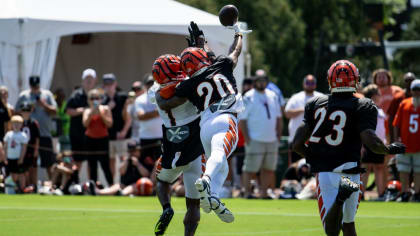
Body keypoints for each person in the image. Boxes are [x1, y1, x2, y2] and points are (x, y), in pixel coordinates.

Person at [292, 60, 405, 236]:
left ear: (330, 80)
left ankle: (339, 199)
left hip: (326, 171)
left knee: (332, 231)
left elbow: (297, 144)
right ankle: (342, 196)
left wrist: (314, 157)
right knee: (349, 223)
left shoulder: (315, 103)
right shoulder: (363, 104)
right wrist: (389, 149)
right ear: (356, 80)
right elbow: (371, 142)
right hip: (351, 170)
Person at [156, 21, 250, 223]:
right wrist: (238, 34)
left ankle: (213, 196)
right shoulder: (221, 65)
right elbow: (234, 52)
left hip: (205, 125)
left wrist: (159, 94)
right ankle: (207, 181)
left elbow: (168, 102)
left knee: (220, 161)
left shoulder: (188, 84)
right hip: (225, 117)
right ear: (204, 58)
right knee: (220, 153)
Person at [150, 53, 205, 236]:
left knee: (162, 181)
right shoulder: (191, 83)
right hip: (195, 147)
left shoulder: (155, 91)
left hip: (172, 144)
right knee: (193, 204)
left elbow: (162, 99)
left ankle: (166, 207)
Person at [239, 74, 283, 199]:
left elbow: (279, 117)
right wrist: (247, 139)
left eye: (264, 81)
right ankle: (247, 192)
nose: (261, 83)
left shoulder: (273, 95)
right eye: (259, 81)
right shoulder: (248, 96)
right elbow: (243, 120)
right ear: (255, 82)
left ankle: (264, 193)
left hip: (271, 139)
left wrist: (278, 135)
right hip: (255, 139)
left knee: (268, 168)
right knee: (250, 168)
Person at [15, 76, 57, 179]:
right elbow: (15, 112)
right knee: (30, 163)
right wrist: (28, 110)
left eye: (37, 86)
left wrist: (44, 105)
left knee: (49, 162)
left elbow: (55, 111)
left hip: (44, 133)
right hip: (28, 136)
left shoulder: (47, 94)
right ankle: (31, 186)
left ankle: (53, 185)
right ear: (30, 85)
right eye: (33, 86)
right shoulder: (24, 96)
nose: (35, 88)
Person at [84, 142, 150, 196]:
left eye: (134, 151)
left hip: (139, 186)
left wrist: (138, 164)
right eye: (130, 151)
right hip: (125, 185)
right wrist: (126, 161)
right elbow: (121, 171)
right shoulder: (127, 160)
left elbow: (146, 174)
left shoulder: (143, 160)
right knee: (117, 186)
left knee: (133, 186)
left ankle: (122, 193)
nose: (132, 153)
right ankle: (98, 192)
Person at [66, 68, 97, 180]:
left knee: (91, 160)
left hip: (93, 134)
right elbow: (68, 110)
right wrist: (82, 110)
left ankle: (91, 183)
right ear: (82, 81)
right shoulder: (76, 95)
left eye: (91, 79)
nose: (89, 81)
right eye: (86, 79)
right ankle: (74, 182)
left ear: (95, 80)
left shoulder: (97, 95)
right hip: (77, 133)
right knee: (77, 160)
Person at [285, 75, 323, 165]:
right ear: (303, 84)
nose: (310, 85)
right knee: (295, 169)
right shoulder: (296, 97)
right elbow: (287, 113)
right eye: (307, 82)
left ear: (315, 84)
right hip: (297, 141)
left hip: (316, 141)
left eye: (312, 83)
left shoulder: (321, 97)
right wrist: (303, 109)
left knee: (316, 168)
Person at [392, 79, 420, 202]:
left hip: (419, 144)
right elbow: (396, 124)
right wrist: (396, 141)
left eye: (419, 90)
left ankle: (418, 192)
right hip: (405, 143)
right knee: (403, 170)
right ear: (411, 91)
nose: (417, 92)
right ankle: (404, 191)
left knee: (418, 170)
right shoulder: (404, 103)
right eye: (415, 90)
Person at [102, 73, 131, 179]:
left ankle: (123, 182)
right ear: (103, 85)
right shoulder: (102, 100)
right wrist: (108, 108)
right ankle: (113, 183)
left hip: (122, 135)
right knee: (111, 159)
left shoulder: (123, 97)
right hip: (108, 135)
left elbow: (128, 117)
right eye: (106, 84)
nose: (109, 86)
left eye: (111, 84)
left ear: (115, 84)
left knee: (123, 158)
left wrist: (124, 131)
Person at [83, 89, 114, 186]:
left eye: (97, 98)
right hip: (90, 140)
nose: (94, 100)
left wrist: (101, 114)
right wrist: (92, 113)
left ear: (101, 99)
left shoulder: (105, 109)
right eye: (92, 98)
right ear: (89, 100)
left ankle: (111, 186)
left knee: (105, 165)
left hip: (103, 139)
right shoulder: (87, 110)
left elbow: (109, 124)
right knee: (92, 165)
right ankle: (93, 186)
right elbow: (85, 124)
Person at [360, 84, 387, 198]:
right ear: (373, 96)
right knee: (365, 168)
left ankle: (380, 194)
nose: (380, 96)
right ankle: (361, 194)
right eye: (378, 94)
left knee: (379, 168)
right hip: (368, 143)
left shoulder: (380, 110)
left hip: (379, 144)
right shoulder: (366, 109)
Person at [134, 75, 163, 165]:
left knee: (162, 165)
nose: (151, 86)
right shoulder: (139, 99)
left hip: (161, 137)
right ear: (145, 85)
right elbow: (141, 116)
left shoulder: (161, 96)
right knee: (146, 165)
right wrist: (157, 112)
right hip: (146, 138)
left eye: (152, 83)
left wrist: (150, 114)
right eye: (148, 84)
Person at [388, 72, 416, 143]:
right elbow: (391, 118)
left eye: (411, 80)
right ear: (404, 82)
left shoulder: (418, 97)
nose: (409, 82)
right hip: (401, 137)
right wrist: (393, 138)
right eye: (407, 80)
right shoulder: (398, 97)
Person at [4, 115, 29, 191]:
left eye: (18, 123)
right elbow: (5, 147)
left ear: (21, 125)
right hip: (10, 157)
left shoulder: (23, 135)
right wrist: (5, 157)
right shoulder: (8, 134)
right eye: (14, 123)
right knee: (12, 173)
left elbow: (24, 148)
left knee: (21, 173)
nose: (16, 125)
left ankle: (22, 188)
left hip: (18, 157)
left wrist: (21, 158)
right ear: (11, 124)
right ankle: (13, 188)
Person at [20, 101, 40, 190]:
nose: (25, 113)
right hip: (21, 149)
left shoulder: (33, 123)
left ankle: (34, 185)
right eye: (24, 110)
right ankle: (26, 186)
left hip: (31, 149)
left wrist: (36, 150)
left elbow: (37, 138)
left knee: (33, 168)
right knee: (23, 169)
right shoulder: (18, 122)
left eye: (27, 111)